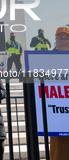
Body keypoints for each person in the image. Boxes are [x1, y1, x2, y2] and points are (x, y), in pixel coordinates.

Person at [50, 25, 69, 160]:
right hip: (58, 117)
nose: (64, 41)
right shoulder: (47, 61)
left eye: (67, 38)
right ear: (55, 40)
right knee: (59, 154)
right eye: (60, 38)